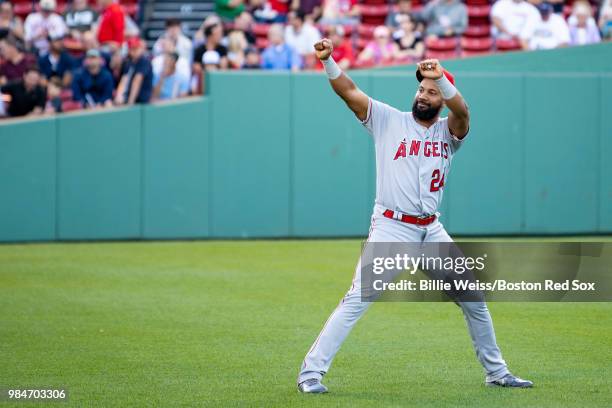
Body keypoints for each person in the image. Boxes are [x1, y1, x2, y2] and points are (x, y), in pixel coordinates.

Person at [297, 37, 534, 393]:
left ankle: (496, 372)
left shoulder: (450, 131)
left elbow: (464, 111)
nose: (423, 95)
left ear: (443, 96)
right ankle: (310, 374)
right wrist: (329, 61)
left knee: (473, 299)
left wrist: (442, 79)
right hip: (392, 227)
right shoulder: (388, 120)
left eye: (432, 91)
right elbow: (349, 92)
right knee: (357, 299)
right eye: (421, 89)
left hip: (431, 231)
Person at [115, 37, 153, 105]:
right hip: (128, 100)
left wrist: (130, 102)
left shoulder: (144, 61)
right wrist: (118, 97)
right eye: (133, 49)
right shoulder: (128, 62)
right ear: (129, 50)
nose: (135, 51)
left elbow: (137, 81)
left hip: (141, 102)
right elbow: (123, 80)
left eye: (137, 48)